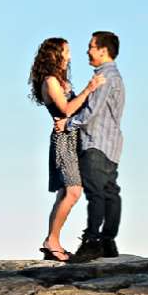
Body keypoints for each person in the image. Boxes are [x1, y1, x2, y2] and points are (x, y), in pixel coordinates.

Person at [27, 37, 106, 261]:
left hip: (74, 138)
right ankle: (52, 241)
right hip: (64, 140)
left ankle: (53, 241)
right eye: (66, 51)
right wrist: (89, 88)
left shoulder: (60, 80)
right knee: (73, 191)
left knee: (65, 192)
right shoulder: (50, 81)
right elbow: (67, 109)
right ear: (55, 54)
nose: (70, 55)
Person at [57, 30, 126, 261]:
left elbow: (91, 112)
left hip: (95, 143)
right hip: (112, 145)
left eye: (91, 46)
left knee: (96, 194)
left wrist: (68, 124)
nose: (87, 50)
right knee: (110, 193)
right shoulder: (115, 76)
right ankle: (108, 242)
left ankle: (93, 242)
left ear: (103, 50)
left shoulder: (104, 77)